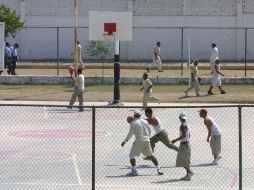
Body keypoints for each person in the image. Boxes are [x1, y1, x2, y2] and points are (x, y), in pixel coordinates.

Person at [121, 110, 164, 176]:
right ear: (140, 115)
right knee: (151, 155)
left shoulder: (133, 123)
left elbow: (130, 134)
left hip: (138, 140)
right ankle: (159, 169)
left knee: (131, 155)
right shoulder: (145, 121)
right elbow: (149, 131)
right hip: (147, 140)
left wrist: (124, 142)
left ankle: (134, 170)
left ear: (134, 116)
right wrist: (147, 138)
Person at [172, 112, 193, 181]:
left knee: (181, 160)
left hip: (184, 144)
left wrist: (175, 140)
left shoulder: (182, 125)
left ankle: (189, 172)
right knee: (186, 160)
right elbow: (188, 135)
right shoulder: (186, 124)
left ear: (180, 118)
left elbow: (184, 135)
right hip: (187, 143)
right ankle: (188, 174)